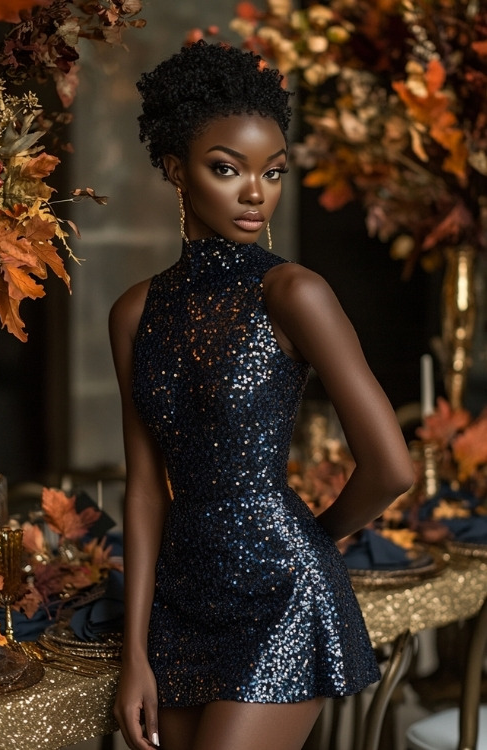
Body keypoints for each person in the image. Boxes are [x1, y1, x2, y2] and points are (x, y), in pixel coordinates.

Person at [109, 41, 414, 750]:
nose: (256, 192)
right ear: (174, 170)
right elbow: (145, 490)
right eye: (228, 169)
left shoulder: (294, 293)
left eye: (273, 173)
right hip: (180, 604)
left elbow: (393, 469)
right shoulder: (133, 312)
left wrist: (315, 542)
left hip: (281, 592)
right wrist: (134, 655)